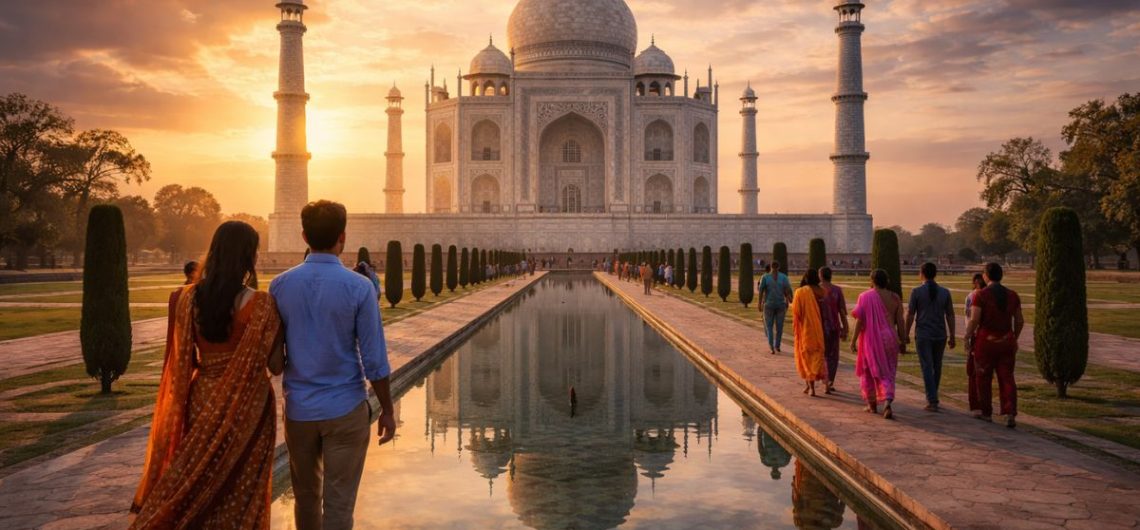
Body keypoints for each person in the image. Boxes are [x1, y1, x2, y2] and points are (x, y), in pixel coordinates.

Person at [131, 221, 283, 528]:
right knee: (242, 488)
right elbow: (276, 365)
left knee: (198, 478)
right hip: (249, 407)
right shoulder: (261, 305)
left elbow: (182, 363)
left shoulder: (188, 300)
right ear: (249, 256)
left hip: (200, 399)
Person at [270, 201, 396, 529]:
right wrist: (387, 408)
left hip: (299, 410)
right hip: (345, 408)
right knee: (339, 505)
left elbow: (274, 360)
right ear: (343, 237)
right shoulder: (359, 287)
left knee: (306, 499)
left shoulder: (281, 285)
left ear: (303, 236)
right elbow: (374, 360)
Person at [964, 262, 1024, 428]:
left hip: (986, 341)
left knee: (983, 377)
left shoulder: (981, 295)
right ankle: (1009, 412)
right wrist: (1014, 337)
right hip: (1006, 341)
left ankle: (986, 412)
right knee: (1007, 377)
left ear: (985, 276)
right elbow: (1019, 320)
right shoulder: (1012, 295)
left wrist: (967, 336)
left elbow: (975, 319)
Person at [850, 269, 905, 419]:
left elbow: (860, 321)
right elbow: (900, 320)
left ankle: (872, 405)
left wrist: (853, 340)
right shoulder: (894, 297)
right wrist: (903, 339)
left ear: (872, 281)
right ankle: (887, 402)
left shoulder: (865, 296)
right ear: (886, 281)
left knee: (869, 370)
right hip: (890, 338)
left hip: (872, 339)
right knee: (888, 372)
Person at [904, 262, 956, 412]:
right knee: (937, 365)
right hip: (940, 333)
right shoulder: (945, 292)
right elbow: (950, 315)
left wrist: (905, 334)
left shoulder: (917, 292)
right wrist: (952, 335)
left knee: (927, 366)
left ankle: (932, 399)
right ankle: (933, 395)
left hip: (923, 334)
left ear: (921, 274)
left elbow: (910, 315)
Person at [792, 269, 828, 396]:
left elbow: (797, 313)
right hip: (820, 328)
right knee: (818, 356)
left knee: (806, 357)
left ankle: (811, 387)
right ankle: (824, 385)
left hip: (806, 329)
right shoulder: (822, 291)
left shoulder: (801, 292)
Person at [819, 267, 849, 393]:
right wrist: (845, 327)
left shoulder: (816, 290)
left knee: (822, 354)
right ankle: (830, 381)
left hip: (819, 328)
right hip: (834, 327)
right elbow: (842, 311)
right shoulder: (837, 290)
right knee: (833, 355)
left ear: (820, 276)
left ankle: (825, 380)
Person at [758, 261, 793, 354]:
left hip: (773, 304)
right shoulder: (783, 277)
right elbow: (788, 290)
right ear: (778, 267)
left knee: (771, 327)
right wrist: (788, 299)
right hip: (776, 304)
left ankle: (772, 346)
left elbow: (761, 291)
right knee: (778, 327)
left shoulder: (766, 277)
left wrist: (759, 303)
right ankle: (776, 346)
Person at [964, 273, 985, 415]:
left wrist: (967, 336)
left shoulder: (973, 296)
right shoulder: (1006, 294)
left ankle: (979, 406)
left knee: (976, 372)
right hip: (996, 336)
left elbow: (970, 318)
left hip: (978, 337)